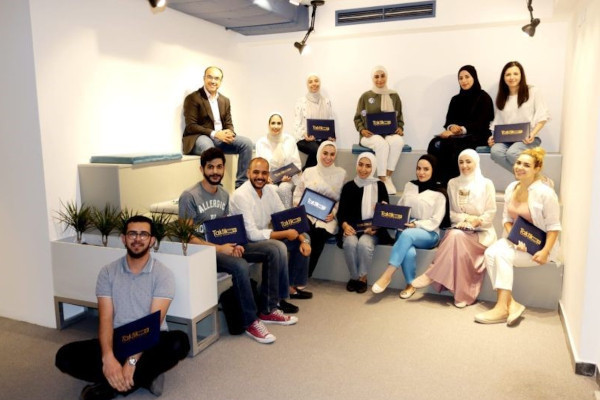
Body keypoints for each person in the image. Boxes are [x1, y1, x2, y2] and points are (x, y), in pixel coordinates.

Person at [55, 215, 190, 400]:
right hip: (121, 337)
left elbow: (153, 322)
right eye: (132, 234)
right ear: (124, 239)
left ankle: (109, 388)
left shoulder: (162, 274)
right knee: (64, 356)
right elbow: (105, 319)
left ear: (152, 241)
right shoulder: (108, 272)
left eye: (143, 235)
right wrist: (108, 357)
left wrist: (132, 361)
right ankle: (145, 377)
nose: (137, 239)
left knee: (179, 342)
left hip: (150, 338)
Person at [178, 148, 296, 344]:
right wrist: (220, 248)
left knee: (274, 249)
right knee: (240, 265)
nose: (215, 171)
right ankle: (251, 321)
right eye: (210, 167)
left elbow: (226, 228)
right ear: (201, 169)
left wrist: (234, 244)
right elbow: (186, 238)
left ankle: (268, 309)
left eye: (219, 167)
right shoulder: (189, 196)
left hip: (223, 246)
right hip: (201, 252)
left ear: (224, 169)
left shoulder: (224, 195)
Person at [475, 147, 561, 326]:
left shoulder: (545, 193)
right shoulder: (511, 188)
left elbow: (554, 227)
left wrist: (545, 251)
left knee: (501, 255)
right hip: (516, 241)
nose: (519, 167)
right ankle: (510, 303)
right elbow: (507, 219)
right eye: (518, 163)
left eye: (526, 165)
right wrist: (515, 239)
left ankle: (501, 307)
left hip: (540, 247)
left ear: (537, 169)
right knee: (491, 252)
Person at [412, 149, 497, 307]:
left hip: (481, 233)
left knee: (454, 237)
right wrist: (465, 220)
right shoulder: (453, 183)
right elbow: (451, 213)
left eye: (468, 161)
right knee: (455, 235)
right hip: (460, 230)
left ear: (476, 162)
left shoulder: (486, 184)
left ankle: (432, 273)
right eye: (461, 162)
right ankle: (462, 295)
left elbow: (491, 213)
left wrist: (476, 221)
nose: (464, 165)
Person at [230, 157, 313, 306]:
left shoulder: (269, 190)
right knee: (277, 247)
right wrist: (284, 234)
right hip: (244, 244)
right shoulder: (241, 195)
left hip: (263, 237)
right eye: (256, 172)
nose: (260, 177)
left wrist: (303, 240)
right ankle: (274, 301)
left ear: (268, 175)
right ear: (248, 173)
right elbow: (252, 234)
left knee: (305, 236)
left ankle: (291, 287)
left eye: (264, 173)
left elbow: (284, 219)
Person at [372, 154, 450, 299]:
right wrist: (387, 209)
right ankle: (410, 284)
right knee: (409, 252)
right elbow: (401, 209)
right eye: (419, 168)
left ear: (434, 170)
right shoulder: (410, 185)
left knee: (408, 235)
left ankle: (387, 274)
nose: (421, 172)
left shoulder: (440, 193)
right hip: (406, 226)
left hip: (428, 232)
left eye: (426, 169)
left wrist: (416, 224)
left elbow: (435, 221)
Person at [182, 66, 253, 188]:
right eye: (210, 77)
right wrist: (215, 134)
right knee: (209, 147)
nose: (213, 81)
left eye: (217, 78)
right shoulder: (193, 98)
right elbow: (191, 126)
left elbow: (229, 123)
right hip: (199, 137)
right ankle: (216, 187)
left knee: (247, 143)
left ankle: (241, 186)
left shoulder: (225, 100)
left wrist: (230, 133)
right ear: (204, 78)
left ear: (220, 81)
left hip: (220, 138)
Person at [427, 65, 494, 183]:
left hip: (478, 135)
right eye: (461, 78)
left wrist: (461, 129)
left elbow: (482, 122)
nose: (464, 81)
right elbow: (449, 120)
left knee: (453, 145)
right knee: (434, 143)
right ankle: (437, 180)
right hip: (455, 136)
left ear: (474, 77)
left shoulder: (484, 97)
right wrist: (451, 127)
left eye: (467, 77)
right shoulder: (455, 99)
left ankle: (453, 181)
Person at [337, 152, 392, 293]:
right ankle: (354, 277)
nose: (363, 169)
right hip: (351, 228)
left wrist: (376, 227)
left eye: (368, 166)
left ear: (373, 168)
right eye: (360, 165)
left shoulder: (379, 186)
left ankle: (362, 278)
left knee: (364, 244)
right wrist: (345, 225)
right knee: (350, 243)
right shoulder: (349, 186)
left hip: (372, 230)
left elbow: (385, 214)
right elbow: (341, 212)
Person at [293, 140, 346, 279]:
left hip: (327, 217)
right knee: (306, 233)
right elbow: (298, 193)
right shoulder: (309, 172)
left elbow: (341, 199)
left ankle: (305, 275)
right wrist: (300, 208)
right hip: (307, 214)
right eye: (325, 153)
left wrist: (333, 213)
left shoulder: (341, 174)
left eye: (332, 154)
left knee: (320, 234)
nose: (328, 157)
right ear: (319, 153)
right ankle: (296, 274)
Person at [487, 61, 550, 173]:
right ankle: (532, 177)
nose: (512, 77)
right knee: (495, 152)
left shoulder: (533, 91)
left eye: (516, 74)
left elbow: (543, 116)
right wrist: (493, 137)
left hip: (529, 138)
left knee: (512, 153)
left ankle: (533, 178)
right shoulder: (502, 96)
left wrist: (533, 134)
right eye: (508, 74)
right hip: (507, 139)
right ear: (503, 78)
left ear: (521, 75)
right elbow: (498, 122)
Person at [353, 65, 405, 195]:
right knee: (381, 144)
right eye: (376, 76)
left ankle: (388, 175)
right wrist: (362, 130)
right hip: (369, 135)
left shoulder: (394, 95)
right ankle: (382, 178)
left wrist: (400, 127)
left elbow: (399, 116)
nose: (380, 79)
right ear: (372, 78)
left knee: (398, 142)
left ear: (386, 77)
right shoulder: (366, 96)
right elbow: (357, 118)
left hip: (389, 133)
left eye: (382, 76)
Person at [256, 113, 303, 208]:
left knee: (284, 188)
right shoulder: (261, 142)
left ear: (282, 125)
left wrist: (289, 175)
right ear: (268, 125)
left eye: (279, 123)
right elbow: (258, 166)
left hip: (287, 179)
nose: (276, 126)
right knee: (271, 189)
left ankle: (287, 219)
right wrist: (265, 177)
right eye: (273, 123)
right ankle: (272, 221)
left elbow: (297, 164)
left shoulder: (290, 140)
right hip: (269, 180)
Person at [294, 74, 335, 170]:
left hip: (321, 139)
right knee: (318, 150)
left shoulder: (326, 102)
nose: (314, 84)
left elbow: (329, 121)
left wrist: (331, 135)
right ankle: (305, 172)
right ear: (307, 85)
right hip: (304, 139)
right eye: (310, 81)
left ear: (320, 83)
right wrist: (304, 135)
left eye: (316, 81)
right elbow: (296, 124)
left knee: (325, 148)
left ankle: (310, 176)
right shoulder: (300, 102)